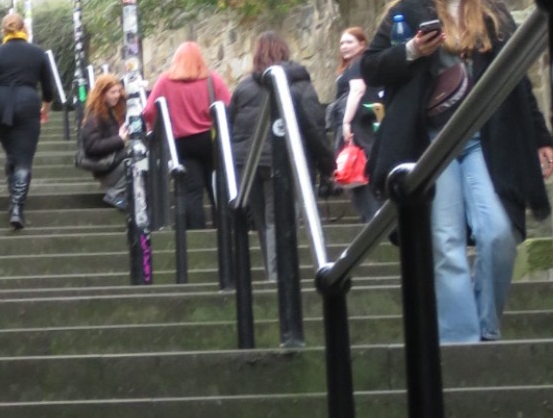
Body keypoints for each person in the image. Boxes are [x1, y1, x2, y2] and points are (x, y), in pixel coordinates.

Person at [361, 0, 553, 344]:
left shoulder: (490, 9)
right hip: (432, 142)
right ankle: (461, 339)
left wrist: (541, 136)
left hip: (486, 138)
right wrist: (413, 50)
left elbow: (515, 77)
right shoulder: (407, 8)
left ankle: (486, 326)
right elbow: (371, 68)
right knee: (445, 241)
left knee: (498, 233)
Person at [226, 32, 334, 278]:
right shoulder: (299, 85)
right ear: (285, 53)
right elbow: (314, 128)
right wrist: (328, 166)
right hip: (285, 160)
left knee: (265, 224)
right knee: (280, 222)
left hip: (249, 164)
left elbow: (231, 126)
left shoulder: (243, 87)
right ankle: (279, 280)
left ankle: (272, 275)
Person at [0, 12, 57, 230]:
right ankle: (16, 208)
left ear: (3, 30)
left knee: (12, 152)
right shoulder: (38, 53)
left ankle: (14, 195)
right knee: (23, 158)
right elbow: (48, 89)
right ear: (25, 29)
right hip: (27, 103)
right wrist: (45, 109)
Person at [142, 42, 231, 231]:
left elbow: (149, 111)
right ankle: (223, 231)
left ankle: (195, 233)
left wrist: (157, 128)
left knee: (192, 191)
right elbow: (228, 107)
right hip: (209, 142)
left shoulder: (165, 81)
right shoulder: (211, 80)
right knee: (216, 186)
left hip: (181, 143)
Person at [329, 26, 380, 223]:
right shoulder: (358, 64)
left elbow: (357, 90)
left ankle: (373, 219)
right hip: (365, 123)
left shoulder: (358, 64)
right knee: (359, 171)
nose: (344, 46)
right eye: (341, 42)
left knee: (357, 171)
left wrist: (346, 121)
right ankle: (372, 217)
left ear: (362, 44)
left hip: (358, 125)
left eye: (349, 42)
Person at [78, 74, 130, 210]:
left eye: (118, 91)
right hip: (107, 170)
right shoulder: (93, 117)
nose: (117, 95)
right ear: (102, 94)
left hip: (114, 164)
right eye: (112, 92)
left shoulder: (112, 112)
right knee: (137, 158)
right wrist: (119, 139)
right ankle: (115, 193)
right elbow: (91, 146)